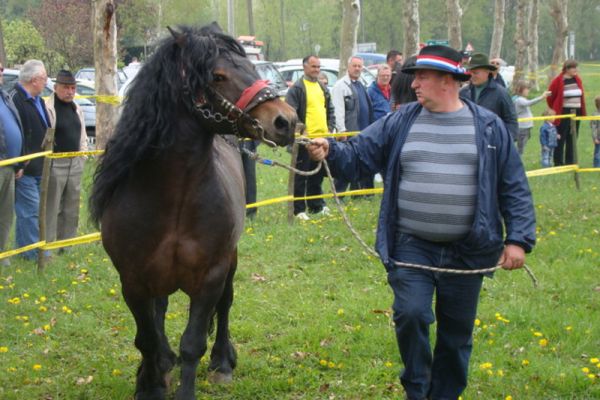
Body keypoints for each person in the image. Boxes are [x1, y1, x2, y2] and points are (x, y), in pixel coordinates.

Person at [306, 45, 536, 400]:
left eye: (422, 77)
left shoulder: (488, 127)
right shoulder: (401, 120)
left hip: (468, 251)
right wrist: (331, 151)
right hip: (412, 245)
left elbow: (514, 186)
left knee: (456, 336)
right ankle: (417, 388)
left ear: (448, 80)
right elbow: (360, 154)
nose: (414, 84)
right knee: (411, 314)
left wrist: (518, 238)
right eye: (414, 77)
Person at [285, 55, 335, 220]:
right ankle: (298, 210)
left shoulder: (322, 87)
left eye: (319, 67)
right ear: (304, 67)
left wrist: (330, 125)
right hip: (304, 141)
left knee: (317, 175)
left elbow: (330, 108)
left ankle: (316, 205)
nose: (317, 70)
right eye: (314, 66)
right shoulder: (297, 88)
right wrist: (302, 131)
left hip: (321, 139)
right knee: (301, 175)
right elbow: (290, 113)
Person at [10, 60, 51, 260]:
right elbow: (18, 133)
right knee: (30, 211)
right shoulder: (16, 99)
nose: (46, 82)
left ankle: (24, 249)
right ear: (34, 80)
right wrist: (19, 163)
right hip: (25, 168)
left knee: (31, 211)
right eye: (44, 78)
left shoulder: (40, 101)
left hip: (40, 166)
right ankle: (34, 254)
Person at [44, 70, 88, 251]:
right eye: (66, 88)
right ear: (55, 88)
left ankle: (67, 244)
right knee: (52, 207)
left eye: (73, 88)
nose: (70, 91)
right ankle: (48, 245)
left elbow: (83, 134)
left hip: (75, 162)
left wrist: (83, 154)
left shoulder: (76, 108)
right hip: (55, 163)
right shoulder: (47, 107)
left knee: (71, 207)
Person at [331, 55, 374, 194]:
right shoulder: (340, 86)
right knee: (345, 164)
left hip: (363, 132)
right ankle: (339, 194)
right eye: (354, 66)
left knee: (359, 162)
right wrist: (341, 131)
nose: (357, 69)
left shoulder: (361, 84)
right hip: (348, 132)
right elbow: (338, 110)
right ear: (348, 67)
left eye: (359, 66)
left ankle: (357, 193)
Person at [459, 52, 518, 141]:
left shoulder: (501, 93)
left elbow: (511, 121)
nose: (472, 76)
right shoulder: (463, 93)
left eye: (475, 73)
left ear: (487, 72)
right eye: (470, 72)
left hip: (492, 145)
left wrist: (505, 143)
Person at [0, 62, 25, 266]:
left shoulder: (5, 96)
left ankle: (1, 253)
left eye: (1, 69)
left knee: (6, 214)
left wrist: (19, 163)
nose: (1, 72)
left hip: (10, 165)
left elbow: (16, 127)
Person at [546, 59, 587, 166]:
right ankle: (558, 162)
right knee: (561, 136)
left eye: (576, 67)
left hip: (576, 112)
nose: (576, 70)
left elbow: (581, 96)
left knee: (573, 136)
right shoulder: (558, 80)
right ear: (567, 69)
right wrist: (555, 108)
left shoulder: (577, 79)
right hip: (563, 112)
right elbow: (550, 96)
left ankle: (570, 161)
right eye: (574, 67)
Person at [512, 80, 551, 155]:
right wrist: (542, 97)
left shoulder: (521, 99)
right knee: (520, 148)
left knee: (521, 147)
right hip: (522, 127)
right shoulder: (519, 100)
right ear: (521, 89)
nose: (528, 91)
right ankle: (516, 162)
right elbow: (529, 103)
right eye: (527, 89)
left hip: (526, 127)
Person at [591, 95, 600, 168]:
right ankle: (596, 166)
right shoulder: (595, 115)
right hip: (598, 138)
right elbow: (594, 127)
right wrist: (595, 138)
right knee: (598, 153)